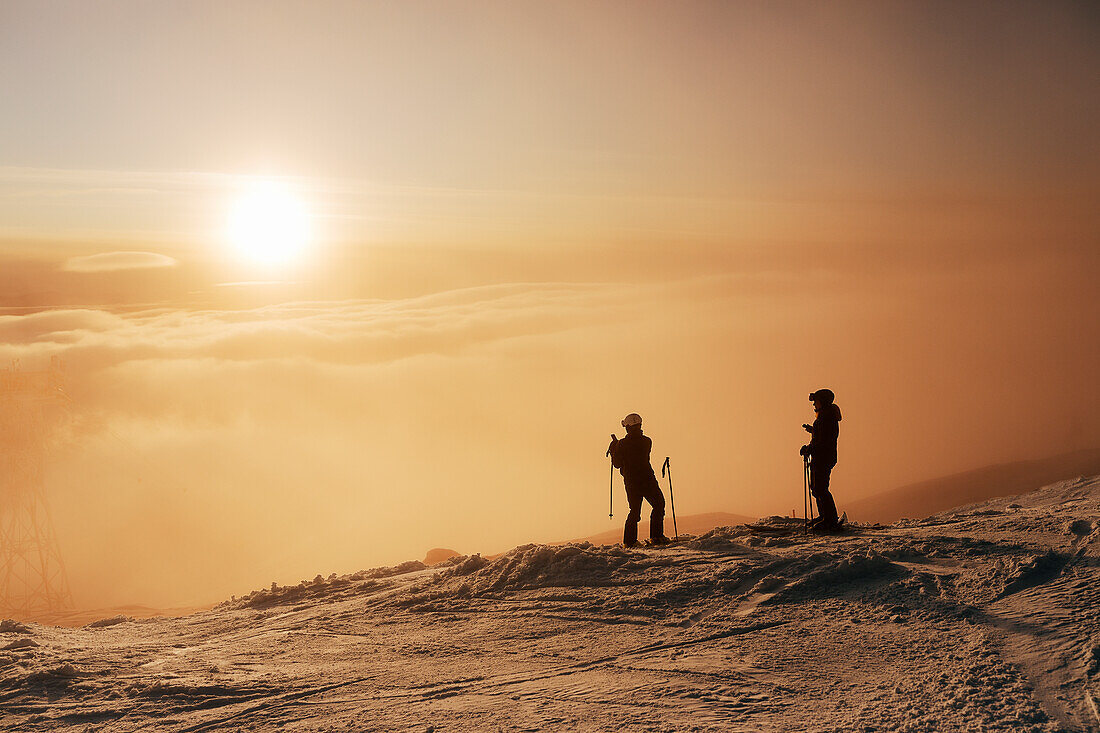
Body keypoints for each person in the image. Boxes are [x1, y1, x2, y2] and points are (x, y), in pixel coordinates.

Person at [607, 413, 669, 547]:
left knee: (634, 511)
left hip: (632, 482)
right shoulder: (647, 441)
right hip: (648, 479)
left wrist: (614, 449)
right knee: (658, 505)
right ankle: (656, 537)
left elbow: (617, 464)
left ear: (627, 428)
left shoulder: (621, 444)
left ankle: (630, 542)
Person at [800, 389, 842, 531]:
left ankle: (829, 520)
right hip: (823, 456)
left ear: (822, 402)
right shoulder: (826, 416)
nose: (814, 406)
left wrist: (809, 449)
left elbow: (824, 441)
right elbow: (824, 435)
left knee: (820, 488)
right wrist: (813, 430)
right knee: (817, 488)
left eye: (816, 402)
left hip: (823, 457)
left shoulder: (826, 418)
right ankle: (825, 516)